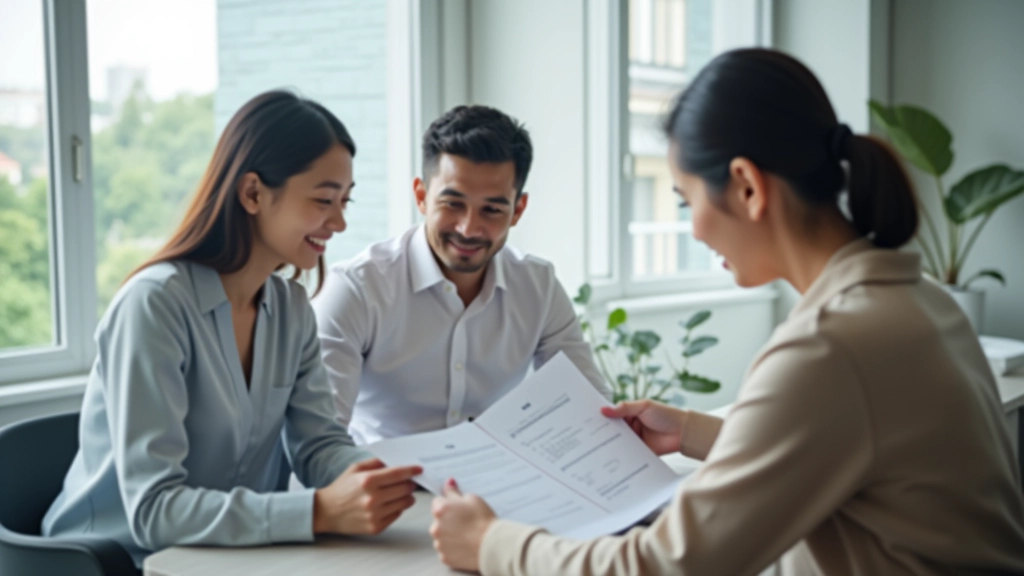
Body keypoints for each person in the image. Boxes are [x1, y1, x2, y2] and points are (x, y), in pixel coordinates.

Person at [428, 49, 1024, 575]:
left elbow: (666, 566)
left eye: (686, 200)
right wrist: (692, 431)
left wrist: (491, 544)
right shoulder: (915, 301)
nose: (693, 228)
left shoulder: (830, 345)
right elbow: (842, 442)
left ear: (746, 187)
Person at [42, 90, 422, 567]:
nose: (340, 222)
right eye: (324, 199)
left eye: (345, 201)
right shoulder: (154, 305)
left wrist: (380, 479)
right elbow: (155, 511)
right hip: (113, 561)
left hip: (225, 558)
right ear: (253, 193)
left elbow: (319, 444)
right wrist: (319, 511)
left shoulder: (291, 308)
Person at [312, 105, 611, 445]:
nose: (469, 228)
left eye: (492, 210)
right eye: (453, 204)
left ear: (518, 210)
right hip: (385, 488)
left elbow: (591, 405)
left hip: (495, 487)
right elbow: (323, 437)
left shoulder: (537, 286)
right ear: (422, 197)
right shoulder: (356, 289)